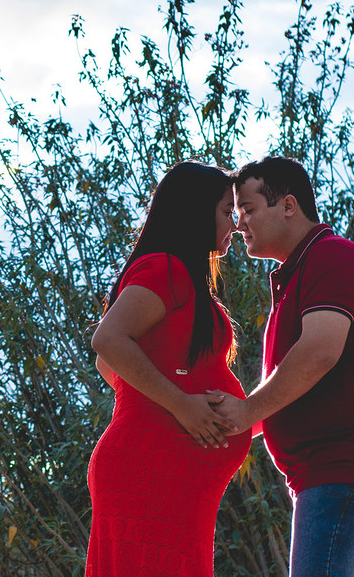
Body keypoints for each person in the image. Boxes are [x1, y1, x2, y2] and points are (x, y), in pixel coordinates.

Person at [210, 156, 354, 577]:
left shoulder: (331, 258)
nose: (240, 224)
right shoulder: (296, 275)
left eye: (249, 210)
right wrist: (225, 421)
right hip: (342, 471)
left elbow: (320, 352)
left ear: (288, 206)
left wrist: (246, 413)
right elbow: (289, 389)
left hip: (350, 467)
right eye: (235, 215)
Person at [87, 161, 251, 576]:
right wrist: (178, 405)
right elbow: (107, 343)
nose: (234, 225)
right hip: (148, 478)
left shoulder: (186, 280)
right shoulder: (167, 268)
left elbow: (111, 365)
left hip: (170, 483)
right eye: (226, 212)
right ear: (196, 212)